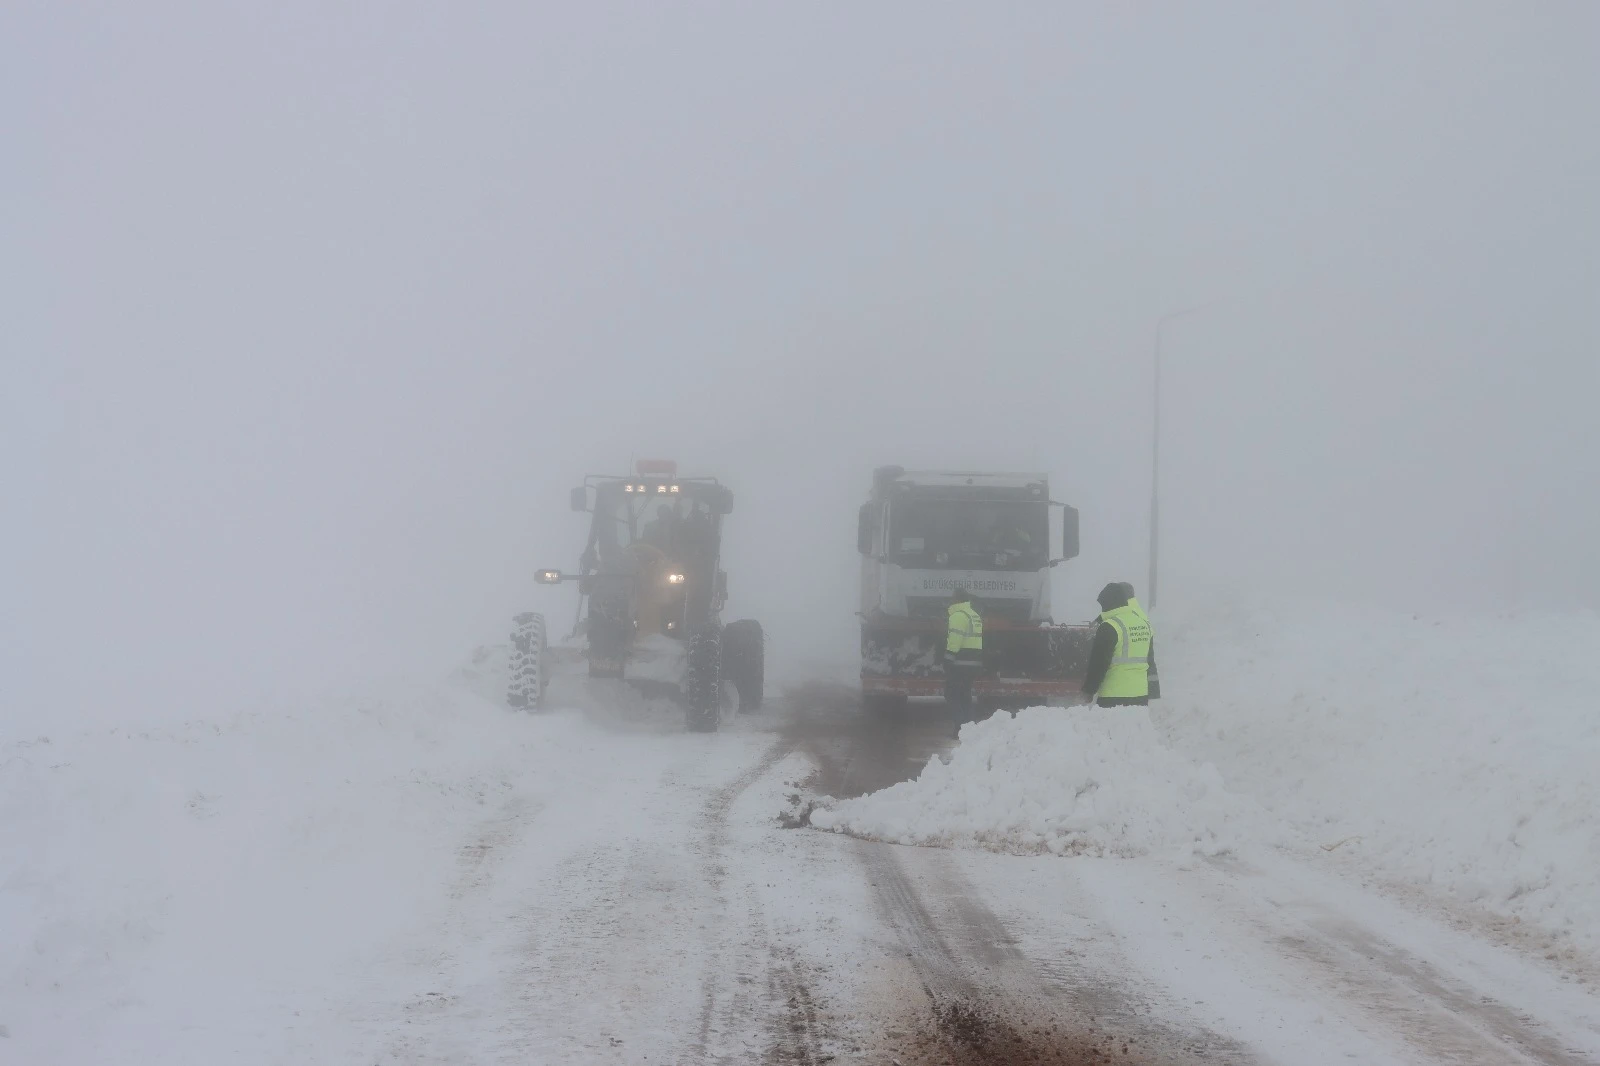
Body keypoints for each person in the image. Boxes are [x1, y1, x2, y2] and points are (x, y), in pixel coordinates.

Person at [1080, 582, 1156, 707]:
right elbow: (1150, 660)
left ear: (1109, 604)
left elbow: (1099, 663)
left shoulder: (1109, 626)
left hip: (1113, 696)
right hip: (1140, 695)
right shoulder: (1144, 624)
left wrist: (1089, 690)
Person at [945, 587, 984, 734]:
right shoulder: (974, 615)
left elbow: (955, 641)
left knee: (951, 694)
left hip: (960, 662)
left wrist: (948, 660)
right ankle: (969, 727)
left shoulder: (957, 616)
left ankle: (959, 728)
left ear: (956, 599)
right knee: (965, 695)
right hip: (973, 663)